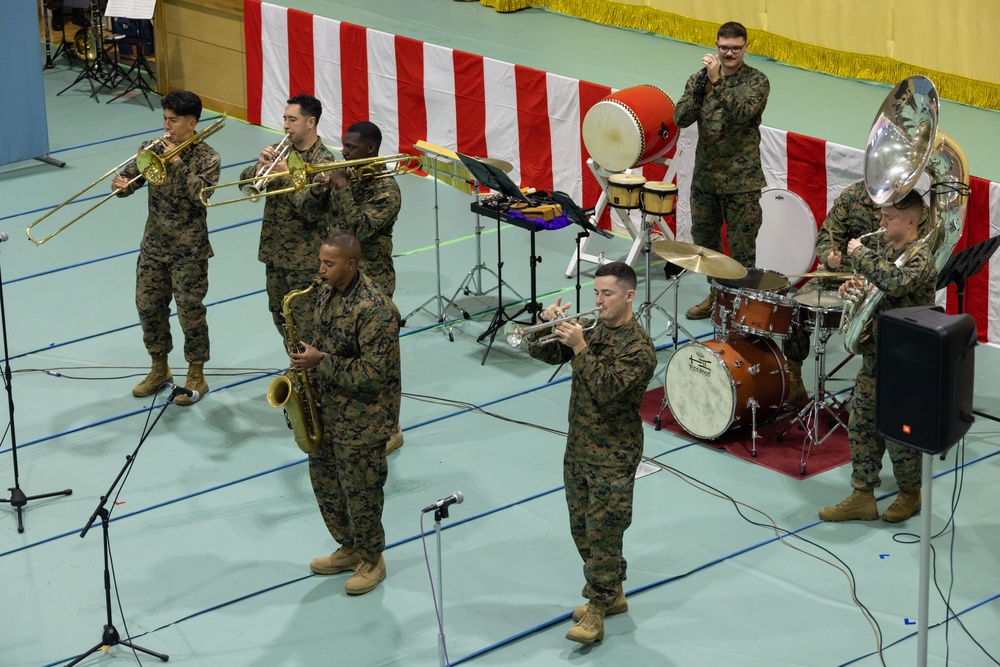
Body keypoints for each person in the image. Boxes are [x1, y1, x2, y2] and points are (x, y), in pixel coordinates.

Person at [525, 262, 656, 645]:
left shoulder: (639, 349)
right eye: (596, 293)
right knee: (580, 527)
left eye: (607, 294)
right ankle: (611, 592)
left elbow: (607, 388)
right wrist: (548, 325)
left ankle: (597, 611)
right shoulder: (596, 331)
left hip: (614, 454)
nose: (598, 301)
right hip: (579, 445)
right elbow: (545, 356)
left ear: (629, 296)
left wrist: (580, 346)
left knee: (604, 532)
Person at [290, 233, 401, 595]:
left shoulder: (375, 309)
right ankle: (349, 547)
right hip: (328, 410)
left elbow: (372, 375)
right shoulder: (325, 291)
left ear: (351, 264)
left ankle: (372, 559)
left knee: (361, 492)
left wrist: (320, 362)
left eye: (329, 263)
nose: (320, 269)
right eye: (321, 261)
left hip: (362, 418)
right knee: (327, 485)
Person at [818, 190, 935, 523]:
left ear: (911, 221)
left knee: (898, 432)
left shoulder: (921, 256)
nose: (881, 223)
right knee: (862, 425)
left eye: (889, 218)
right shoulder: (885, 248)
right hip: (876, 352)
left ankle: (910, 494)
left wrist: (861, 256)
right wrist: (853, 287)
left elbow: (895, 282)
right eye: (882, 217)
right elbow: (875, 283)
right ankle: (862, 494)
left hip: (905, 359)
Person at [115, 90, 221, 406]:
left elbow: (200, 194)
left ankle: (196, 373)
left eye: (173, 120)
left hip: (188, 250)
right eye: (165, 118)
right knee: (148, 306)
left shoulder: (208, 158)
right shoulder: (153, 148)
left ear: (191, 123)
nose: (167, 126)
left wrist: (175, 162)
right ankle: (159, 368)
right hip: (153, 245)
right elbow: (131, 180)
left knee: (190, 311)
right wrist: (121, 185)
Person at [308, 120, 405, 453]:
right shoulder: (343, 176)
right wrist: (317, 191)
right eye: (344, 145)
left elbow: (356, 231)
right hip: (338, 279)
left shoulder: (387, 190)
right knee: (336, 349)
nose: (343, 152)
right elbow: (313, 217)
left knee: (378, 363)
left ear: (371, 149)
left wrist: (342, 188)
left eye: (350, 148)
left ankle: (389, 427)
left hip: (372, 281)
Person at [674, 21, 770, 320]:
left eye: (736, 48)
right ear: (716, 46)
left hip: (741, 182)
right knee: (706, 246)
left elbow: (741, 114)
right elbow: (680, 118)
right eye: (724, 48)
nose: (729, 53)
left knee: (742, 251)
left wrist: (719, 82)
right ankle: (716, 296)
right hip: (705, 180)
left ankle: (742, 308)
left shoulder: (757, 81)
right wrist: (701, 89)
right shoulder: (698, 80)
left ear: (746, 47)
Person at [241, 94, 335, 343]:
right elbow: (244, 181)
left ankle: (311, 377)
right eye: (284, 119)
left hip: (303, 260)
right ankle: (296, 368)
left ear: (311, 122)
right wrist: (259, 169)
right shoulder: (281, 153)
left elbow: (312, 210)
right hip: (274, 252)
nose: (285, 125)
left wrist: (284, 176)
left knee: (305, 323)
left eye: (292, 119)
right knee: (280, 316)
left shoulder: (323, 162)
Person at [782, 180, 883, 403]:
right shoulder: (852, 196)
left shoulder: (906, 203)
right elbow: (827, 236)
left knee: (880, 320)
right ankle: (794, 378)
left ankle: (868, 390)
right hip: (841, 274)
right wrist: (829, 256)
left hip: (880, 279)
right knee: (796, 307)